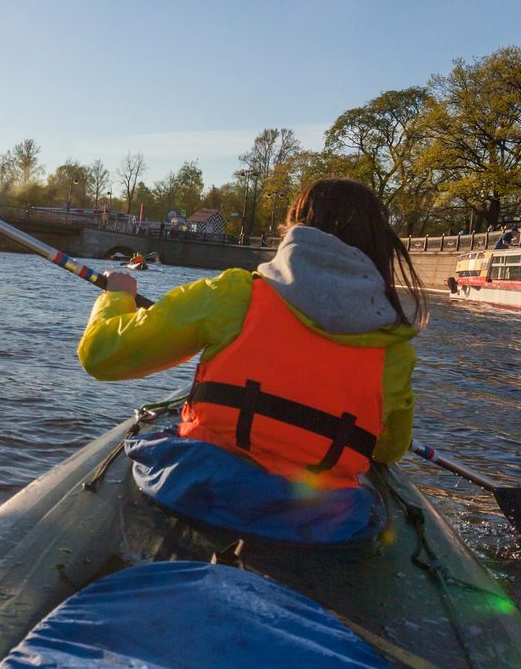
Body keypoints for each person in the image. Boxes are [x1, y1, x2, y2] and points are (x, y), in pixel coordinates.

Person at [78, 178, 425, 543]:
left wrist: (117, 298)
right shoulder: (395, 350)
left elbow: (101, 355)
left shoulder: (232, 295)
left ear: (294, 230)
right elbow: (388, 449)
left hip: (196, 488)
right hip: (320, 522)